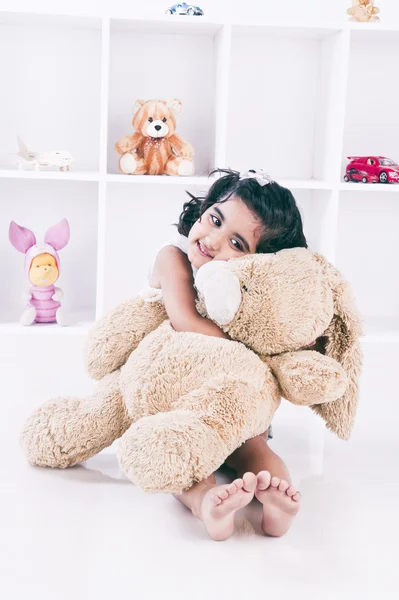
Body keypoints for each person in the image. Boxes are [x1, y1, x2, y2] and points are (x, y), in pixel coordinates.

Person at [148, 169, 307, 541]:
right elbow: (185, 319)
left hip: (229, 402)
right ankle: (206, 503)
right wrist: (254, 356)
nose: (214, 240)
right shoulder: (171, 259)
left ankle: (277, 501)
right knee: (186, 452)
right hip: (178, 397)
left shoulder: (245, 298)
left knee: (253, 448)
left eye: (237, 244)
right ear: (202, 210)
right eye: (215, 220)